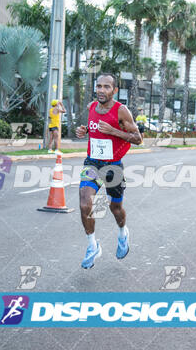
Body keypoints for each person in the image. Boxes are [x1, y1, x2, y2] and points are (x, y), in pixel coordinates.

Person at [75, 73, 142, 269]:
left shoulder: (122, 111)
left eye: (106, 87)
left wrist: (113, 131)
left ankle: (123, 233)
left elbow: (138, 139)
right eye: (99, 86)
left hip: (113, 166)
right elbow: (94, 128)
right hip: (92, 163)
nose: (101, 90)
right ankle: (93, 245)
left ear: (114, 90)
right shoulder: (92, 107)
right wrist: (84, 131)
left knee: (115, 208)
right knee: (85, 203)